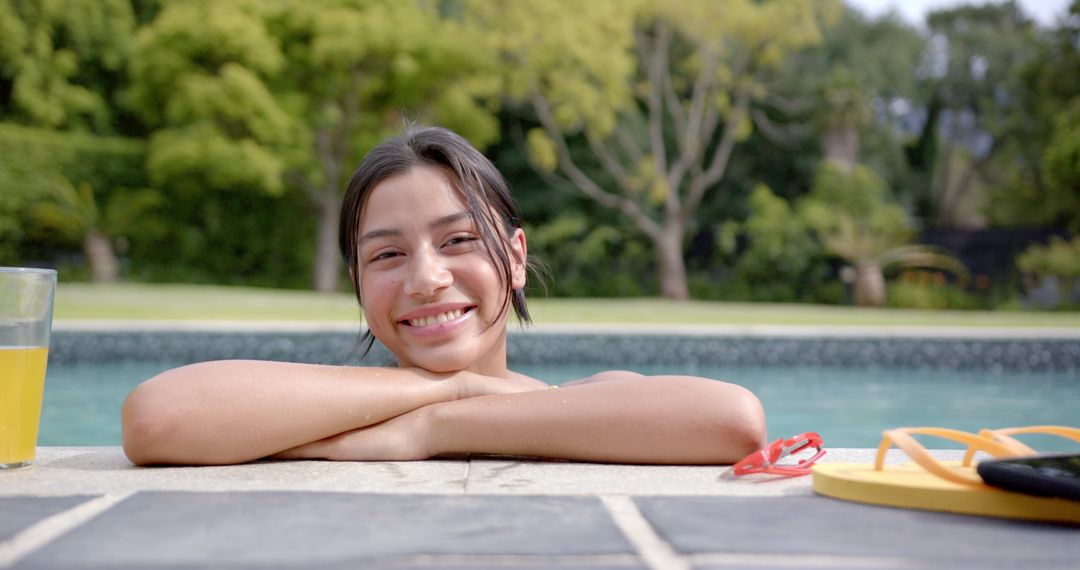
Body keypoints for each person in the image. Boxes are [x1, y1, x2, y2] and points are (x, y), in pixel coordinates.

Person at [121, 126, 766, 466]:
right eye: (387, 254)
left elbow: (732, 421)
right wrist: (451, 388)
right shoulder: (307, 402)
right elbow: (155, 419)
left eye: (457, 240)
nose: (425, 278)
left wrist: (431, 426)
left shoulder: (588, 399)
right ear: (359, 285)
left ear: (514, 259)